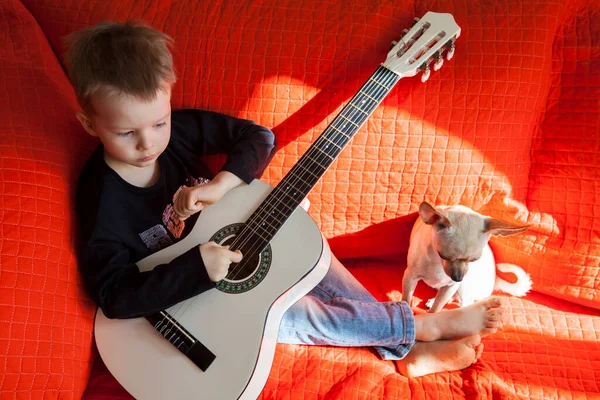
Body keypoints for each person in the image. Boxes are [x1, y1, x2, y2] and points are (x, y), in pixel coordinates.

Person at [68, 20, 503, 380]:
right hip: (185, 301)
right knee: (296, 313)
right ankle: (423, 326)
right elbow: (111, 293)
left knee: (313, 254)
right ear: (89, 123)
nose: (149, 143)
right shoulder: (102, 199)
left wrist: (220, 185)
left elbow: (257, 137)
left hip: (239, 244)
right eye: (127, 133)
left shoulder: (176, 132)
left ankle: (401, 352)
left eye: (158, 123)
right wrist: (195, 267)